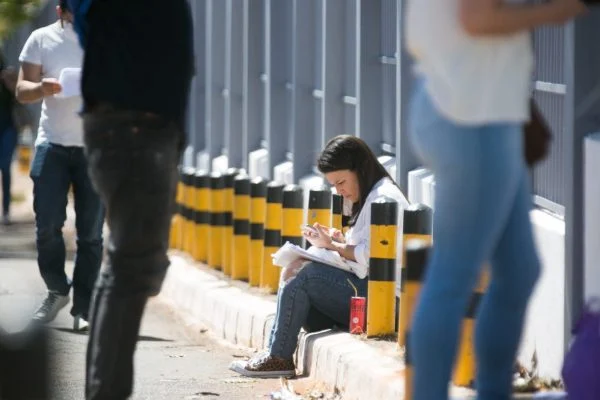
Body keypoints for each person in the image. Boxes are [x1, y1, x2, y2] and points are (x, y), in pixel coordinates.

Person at [405, 0, 585, 398]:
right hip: (472, 118)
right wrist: (557, 11)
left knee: (519, 269)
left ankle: (491, 391)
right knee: (453, 276)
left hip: (477, 112)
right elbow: (478, 19)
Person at [66, 0, 194, 398]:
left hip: (132, 125)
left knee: (124, 265)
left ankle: (102, 390)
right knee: (133, 267)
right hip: (136, 128)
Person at [230, 135, 409, 378]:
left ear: (360, 169)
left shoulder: (384, 197)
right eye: (334, 185)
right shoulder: (370, 196)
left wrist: (333, 246)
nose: (339, 190)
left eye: (342, 182)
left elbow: (371, 258)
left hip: (388, 303)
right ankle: (273, 352)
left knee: (306, 276)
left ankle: (279, 356)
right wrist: (338, 240)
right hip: (370, 291)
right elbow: (369, 247)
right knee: (297, 266)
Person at [15, 0, 104, 332]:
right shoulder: (40, 38)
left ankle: (85, 306)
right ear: (60, 10)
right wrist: (42, 88)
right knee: (46, 226)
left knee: (91, 234)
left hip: (94, 147)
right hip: (51, 144)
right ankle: (56, 288)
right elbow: (23, 90)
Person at [0, 55, 18, 226]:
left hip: (8, 128)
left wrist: (10, 81)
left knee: (5, 166)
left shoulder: (7, 76)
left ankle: (6, 211)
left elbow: (20, 96)